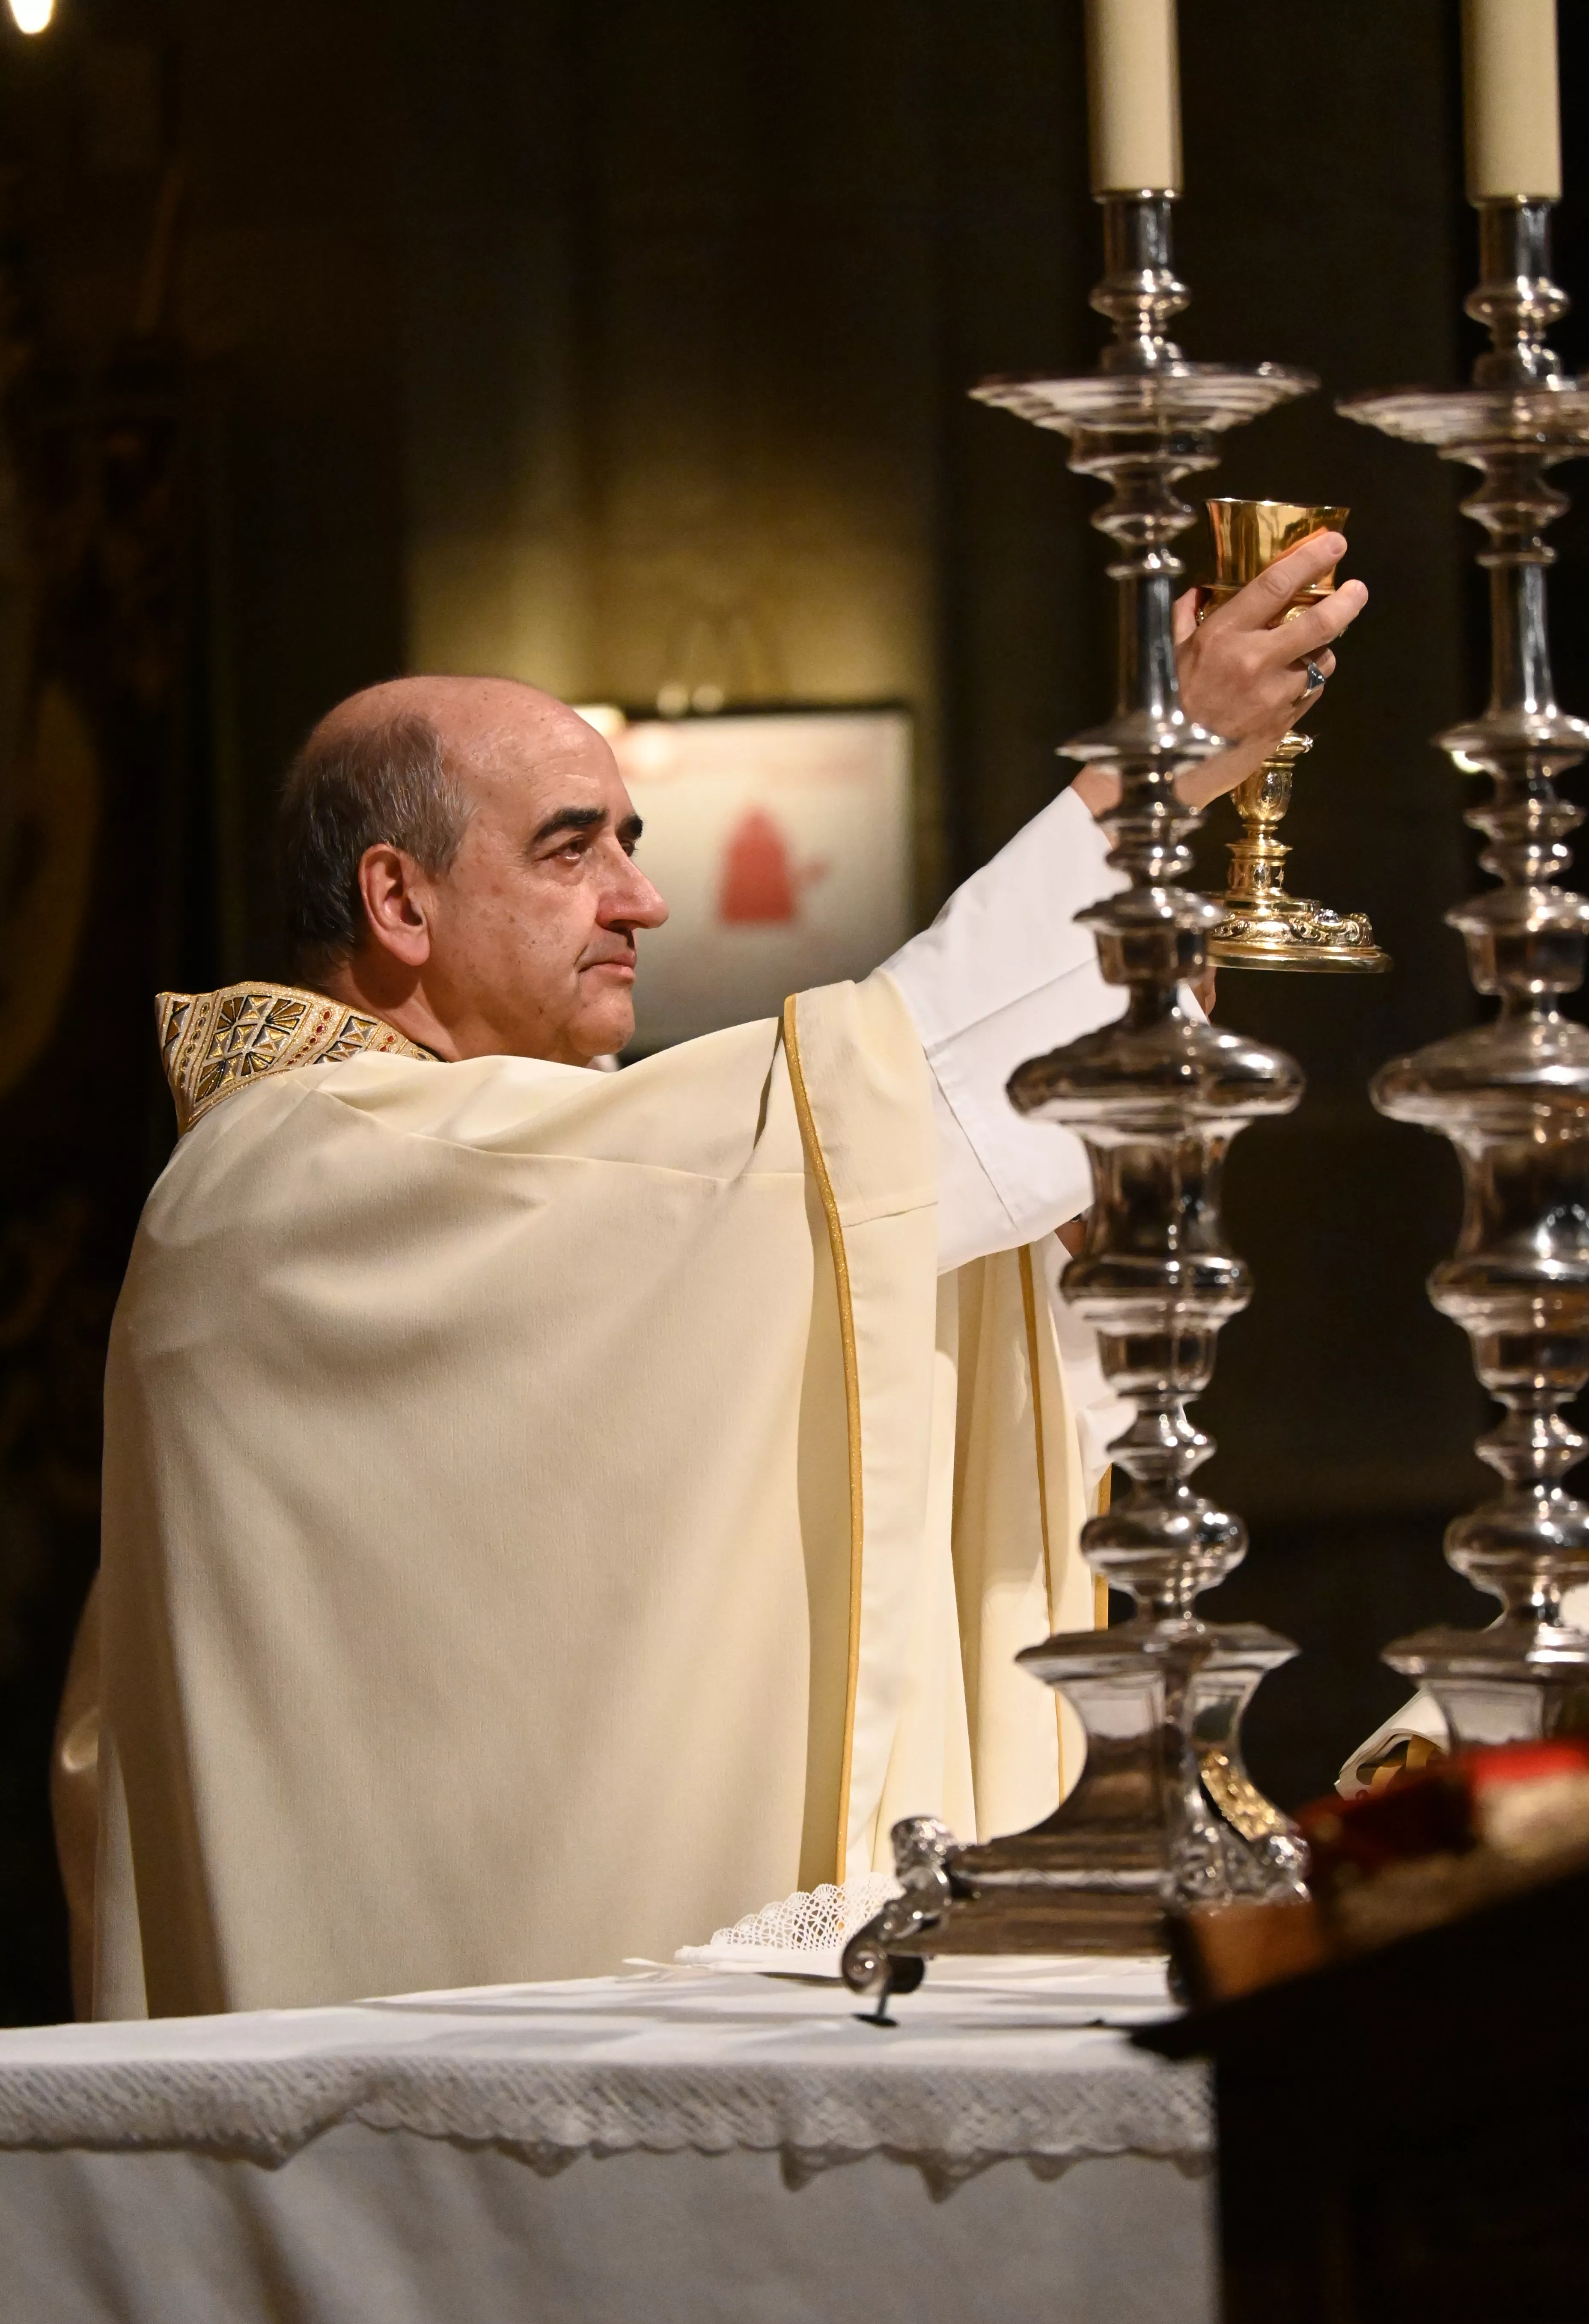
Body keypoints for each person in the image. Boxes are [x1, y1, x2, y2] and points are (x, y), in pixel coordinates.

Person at [84, 533, 1366, 2017]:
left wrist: (1077, 1125)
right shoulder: (299, 1180)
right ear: (399, 902)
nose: (643, 901)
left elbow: (815, 1235)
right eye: (573, 849)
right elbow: (828, 1165)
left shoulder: (445, 1153)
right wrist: (1146, 791)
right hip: (428, 2058)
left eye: (629, 843)